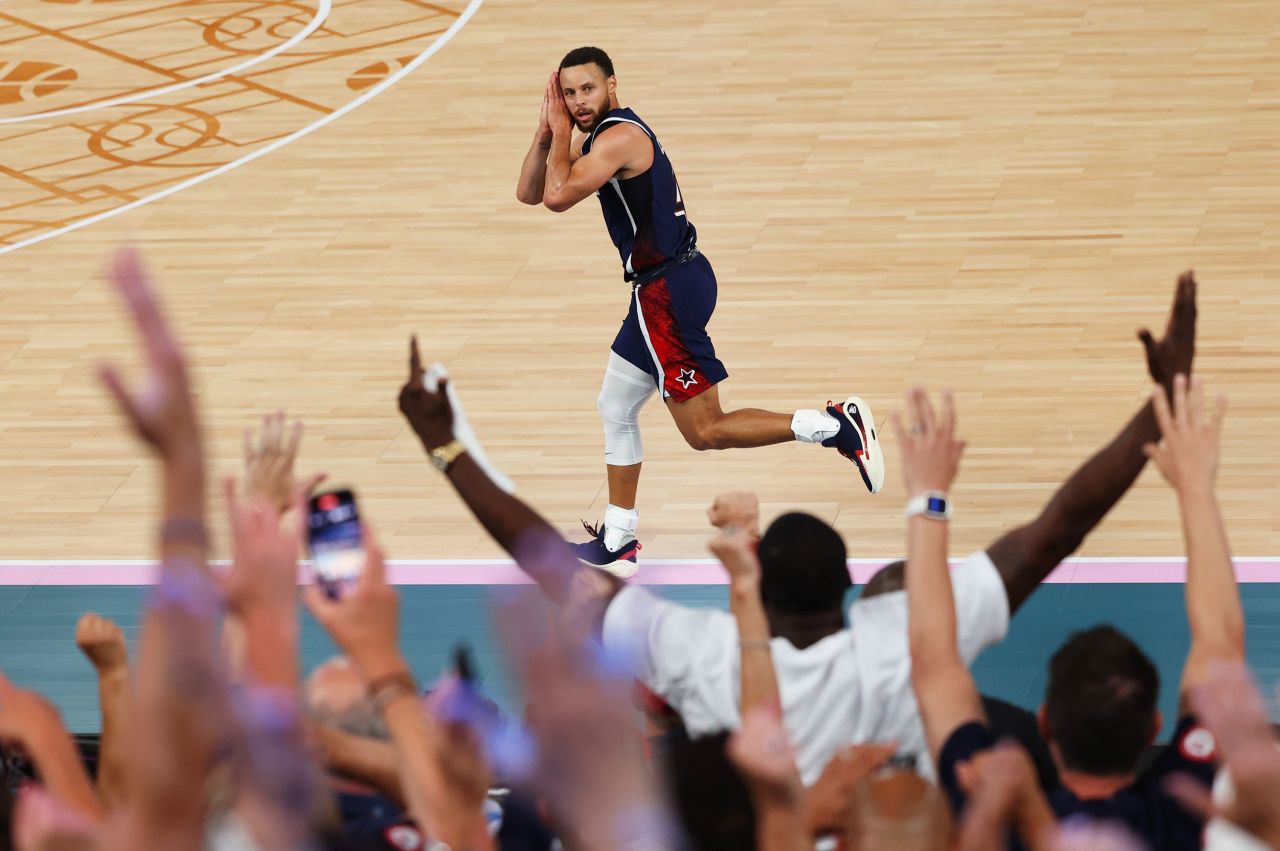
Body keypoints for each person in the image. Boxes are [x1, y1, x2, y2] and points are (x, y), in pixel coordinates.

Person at [396, 273, 1198, 785]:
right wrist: (1161, 402)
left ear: (757, 593)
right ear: (855, 592)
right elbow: (1057, 528)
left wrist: (447, 448)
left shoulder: (703, 655)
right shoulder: (903, 648)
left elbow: (547, 562)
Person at [516, 45, 885, 574]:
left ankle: (835, 426)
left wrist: (560, 131)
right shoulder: (595, 136)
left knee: (705, 431)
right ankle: (618, 540)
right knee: (615, 406)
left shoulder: (619, 136)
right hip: (667, 284)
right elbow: (529, 192)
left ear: (612, 85)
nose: (577, 101)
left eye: (587, 89)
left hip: (665, 292)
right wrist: (545, 134)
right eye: (568, 93)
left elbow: (556, 197)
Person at [912, 374, 1240, 851]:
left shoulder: (994, 817)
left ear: (1045, 725)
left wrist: (929, 493)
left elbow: (932, 665)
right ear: (1154, 725)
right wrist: (1196, 486)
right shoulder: (1183, 813)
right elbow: (1220, 644)